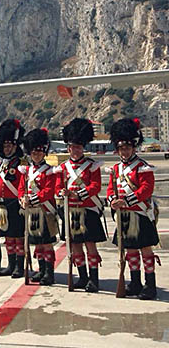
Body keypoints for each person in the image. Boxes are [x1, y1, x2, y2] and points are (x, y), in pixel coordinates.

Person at [107, 118, 160, 300]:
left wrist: (126, 201)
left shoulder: (142, 167)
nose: (125, 151)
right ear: (118, 149)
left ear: (134, 147)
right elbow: (110, 189)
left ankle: (150, 285)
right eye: (122, 148)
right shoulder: (115, 169)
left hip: (140, 214)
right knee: (130, 252)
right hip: (125, 216)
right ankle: (135, 283)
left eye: (128, 148)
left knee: (146, 250)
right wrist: (113, 200)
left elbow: (146, 190)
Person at [55, 118, 106, 293]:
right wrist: (63, 193)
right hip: (70, 211)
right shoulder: (62, 167)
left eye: (78, 147)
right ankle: (82, 276)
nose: (75, 150)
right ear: (68, 148)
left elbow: (95, 186)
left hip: (87, 210)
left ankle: (94, 279)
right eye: (72, 147)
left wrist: (77, 194)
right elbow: (57, 187)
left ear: (82, 147)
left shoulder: (92, 166)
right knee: (75, 245)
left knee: (90, 245)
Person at [18, 129, 58, 285]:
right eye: (34, 152)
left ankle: (49, 272)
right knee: (37, 244)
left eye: (40, 152)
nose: (37, 155)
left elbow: (49, 191)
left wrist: (32, 199)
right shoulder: (26, 171)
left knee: (46, 243)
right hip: (31, 212)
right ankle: (41, 270)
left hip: (45, 210)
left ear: (44, 153)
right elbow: (21, 188)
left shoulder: (49, 171)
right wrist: (22, 199)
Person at [0, 119, 26, 278]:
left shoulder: (21, 163)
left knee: (18, 238)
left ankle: (19, 267)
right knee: (8, 238)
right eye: (5, 146)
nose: (7, 149)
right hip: (2, 205)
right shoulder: (0, 164)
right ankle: (10, 264)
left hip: (15, 205)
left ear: (15, 146)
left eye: (10, 146)